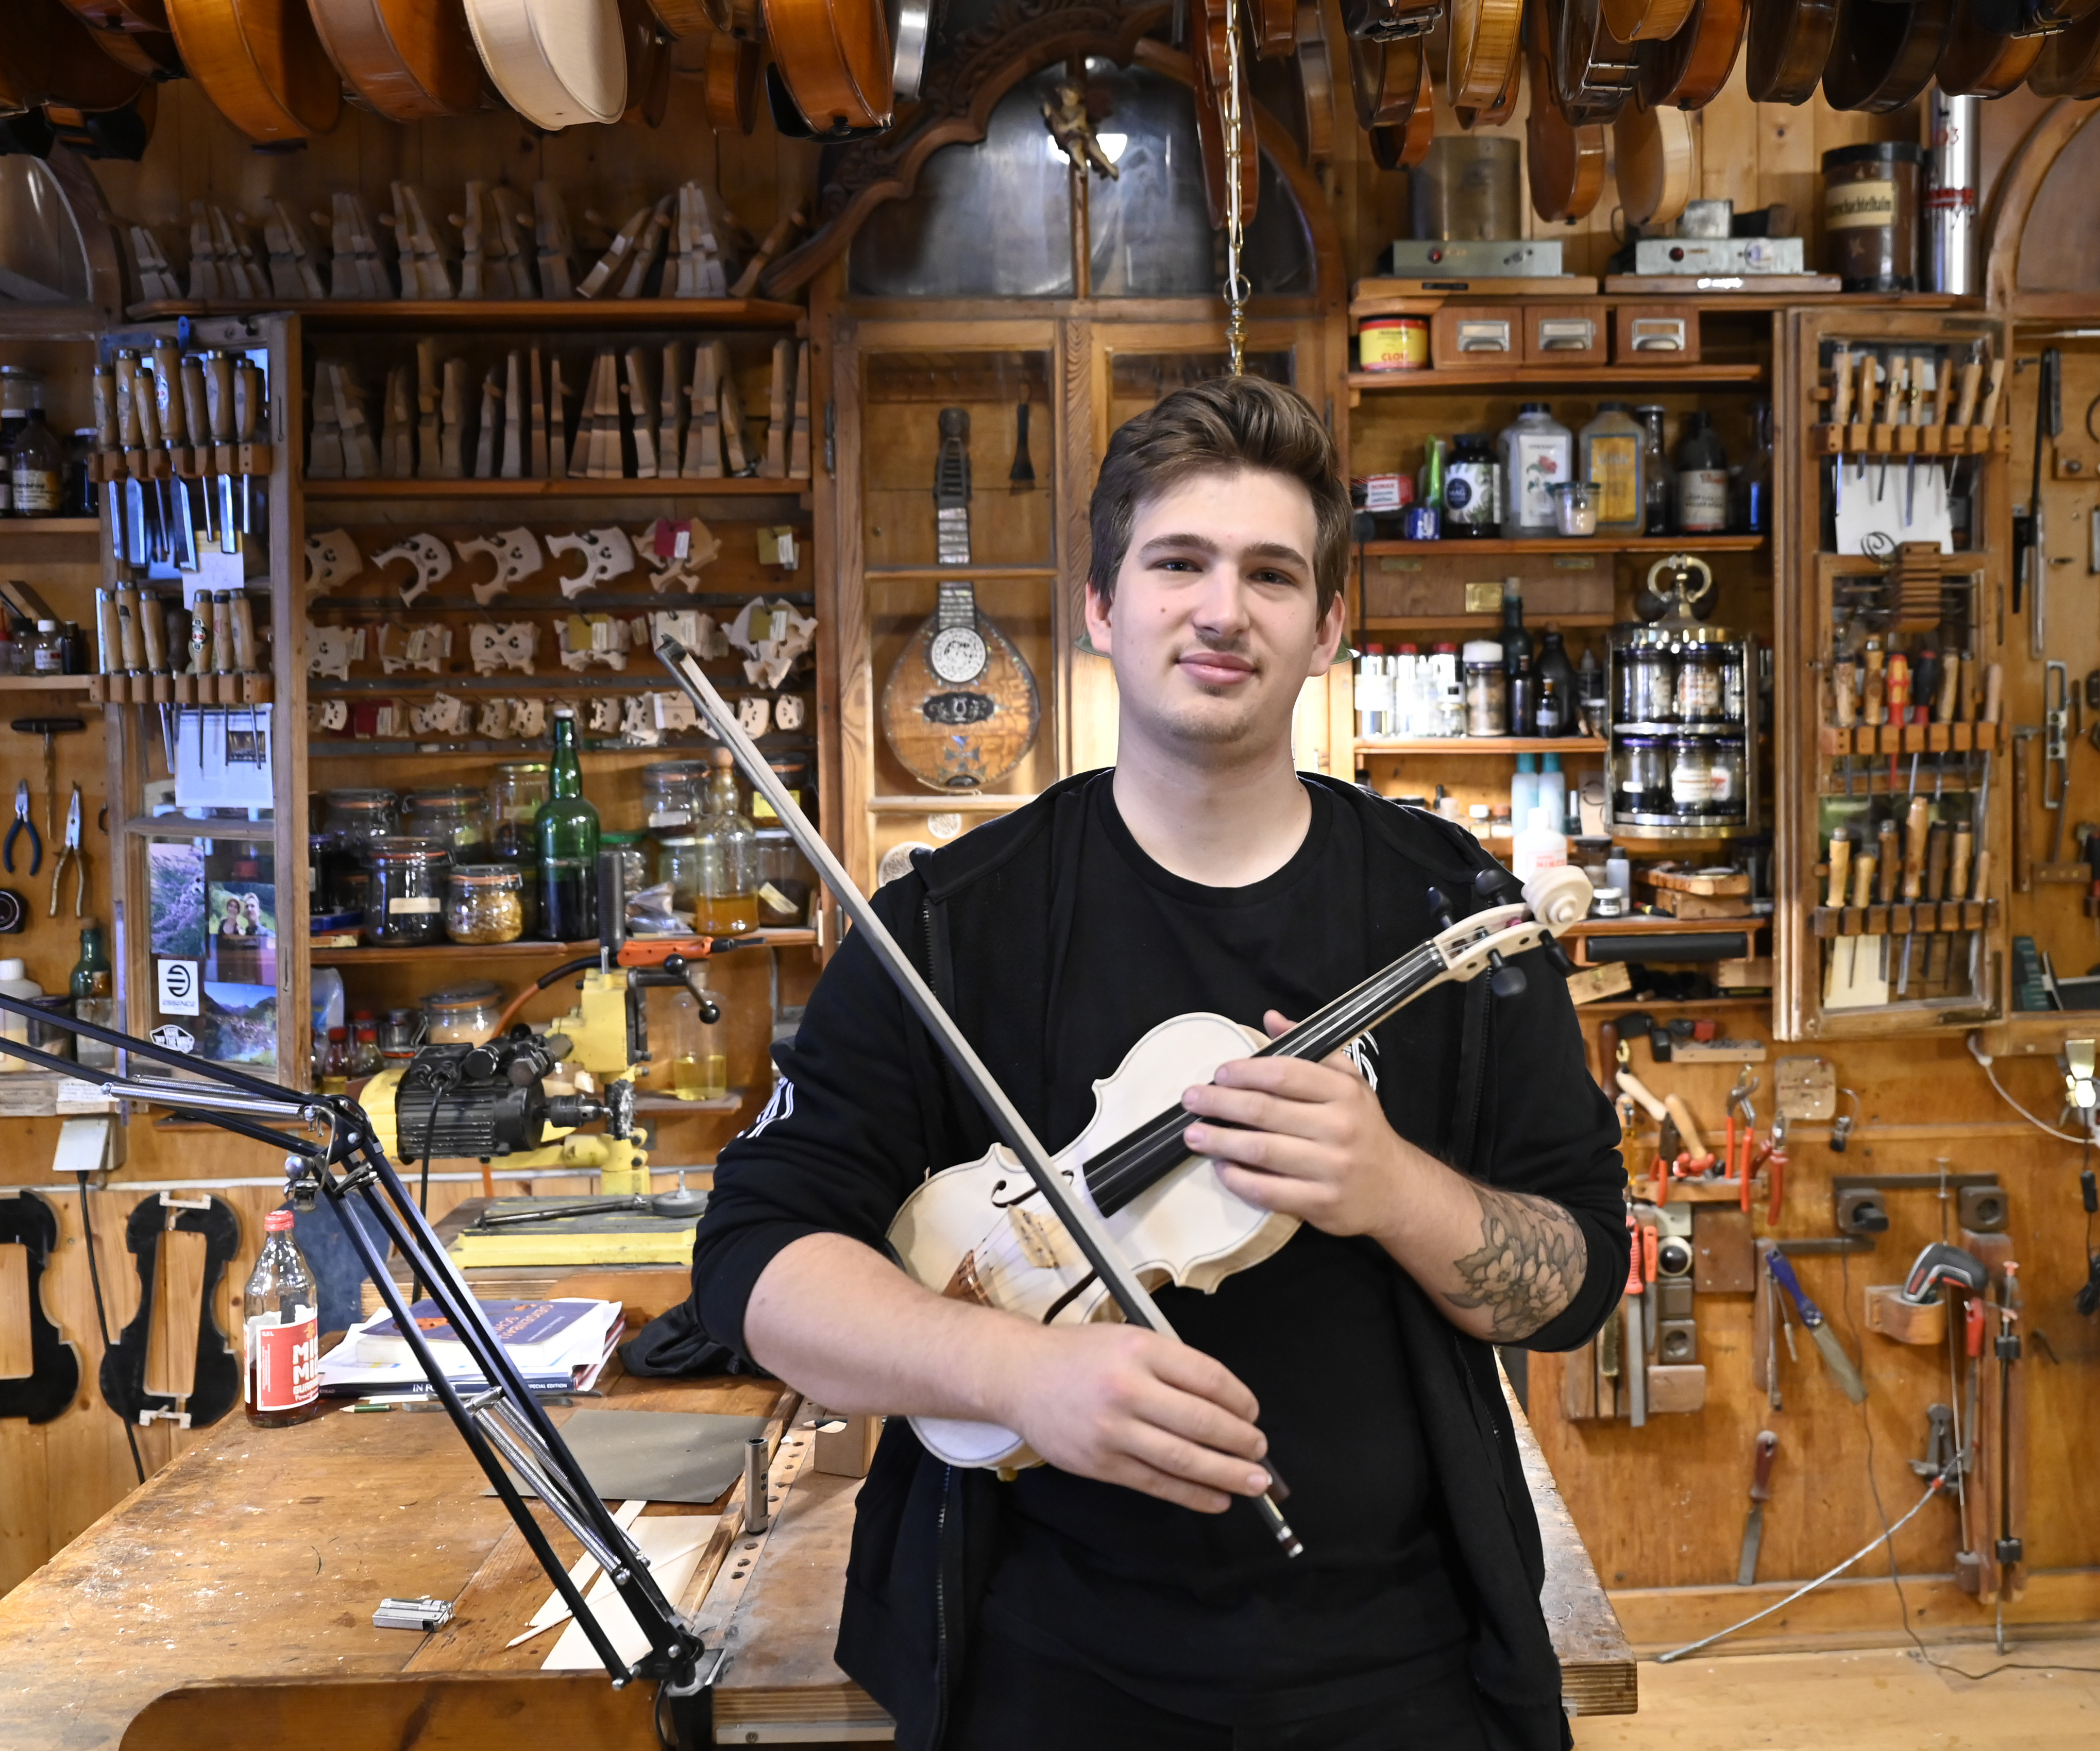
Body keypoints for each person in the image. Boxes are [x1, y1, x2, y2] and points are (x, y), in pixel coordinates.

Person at [688, 377, 1625, 1749]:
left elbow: (1577, 1278)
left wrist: (1391, 1186)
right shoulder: (954, 923)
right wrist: (1015, 1376)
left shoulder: (1451, 914)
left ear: (1328, 629)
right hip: (1038, 1663)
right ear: (1102, 607)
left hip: (1405, 1666)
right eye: (1176, 563)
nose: (1221, 608)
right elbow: (754, 1266)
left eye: (1271, 573)